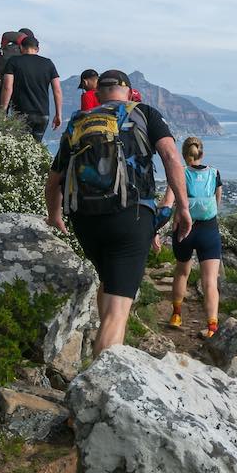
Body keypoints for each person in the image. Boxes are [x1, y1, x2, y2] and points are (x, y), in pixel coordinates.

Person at [45, 70, 191, 357]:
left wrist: (54, 216)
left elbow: (53, 182)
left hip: (84, 219)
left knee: (108, 282)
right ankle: (102, 388)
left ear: (98, 92)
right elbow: (172, 157)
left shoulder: (79, 120)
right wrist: (183, 208)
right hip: (130, 217)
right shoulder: (144, 112)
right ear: (129, 90)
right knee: (117, 312)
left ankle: (99, 348)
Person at [159, 136, 223, 338]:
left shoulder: (180, 173)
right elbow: (217, 200)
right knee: (210, 281)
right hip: (209, 229)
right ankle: (212, 327)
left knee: (182, 272)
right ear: (201, 153)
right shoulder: (214, 173)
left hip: (184, 229)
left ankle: (176, 315)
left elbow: (168, 202)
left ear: (184, 154)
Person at [0, 35, 62, 142]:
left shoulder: (13, 62)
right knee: (35, 147)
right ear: (37, 49)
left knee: (20, 147)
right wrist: (58, 114)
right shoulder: (48, 63)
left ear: (21, 48)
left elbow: (7, 87)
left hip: (21, 113)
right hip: (42, 114)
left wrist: (3, 111)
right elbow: (57, 90)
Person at [0, 27, 34, 109]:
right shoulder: (27, 53)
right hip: (20, 90)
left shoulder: (1, 51)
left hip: (1, 87)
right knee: (20, 118)